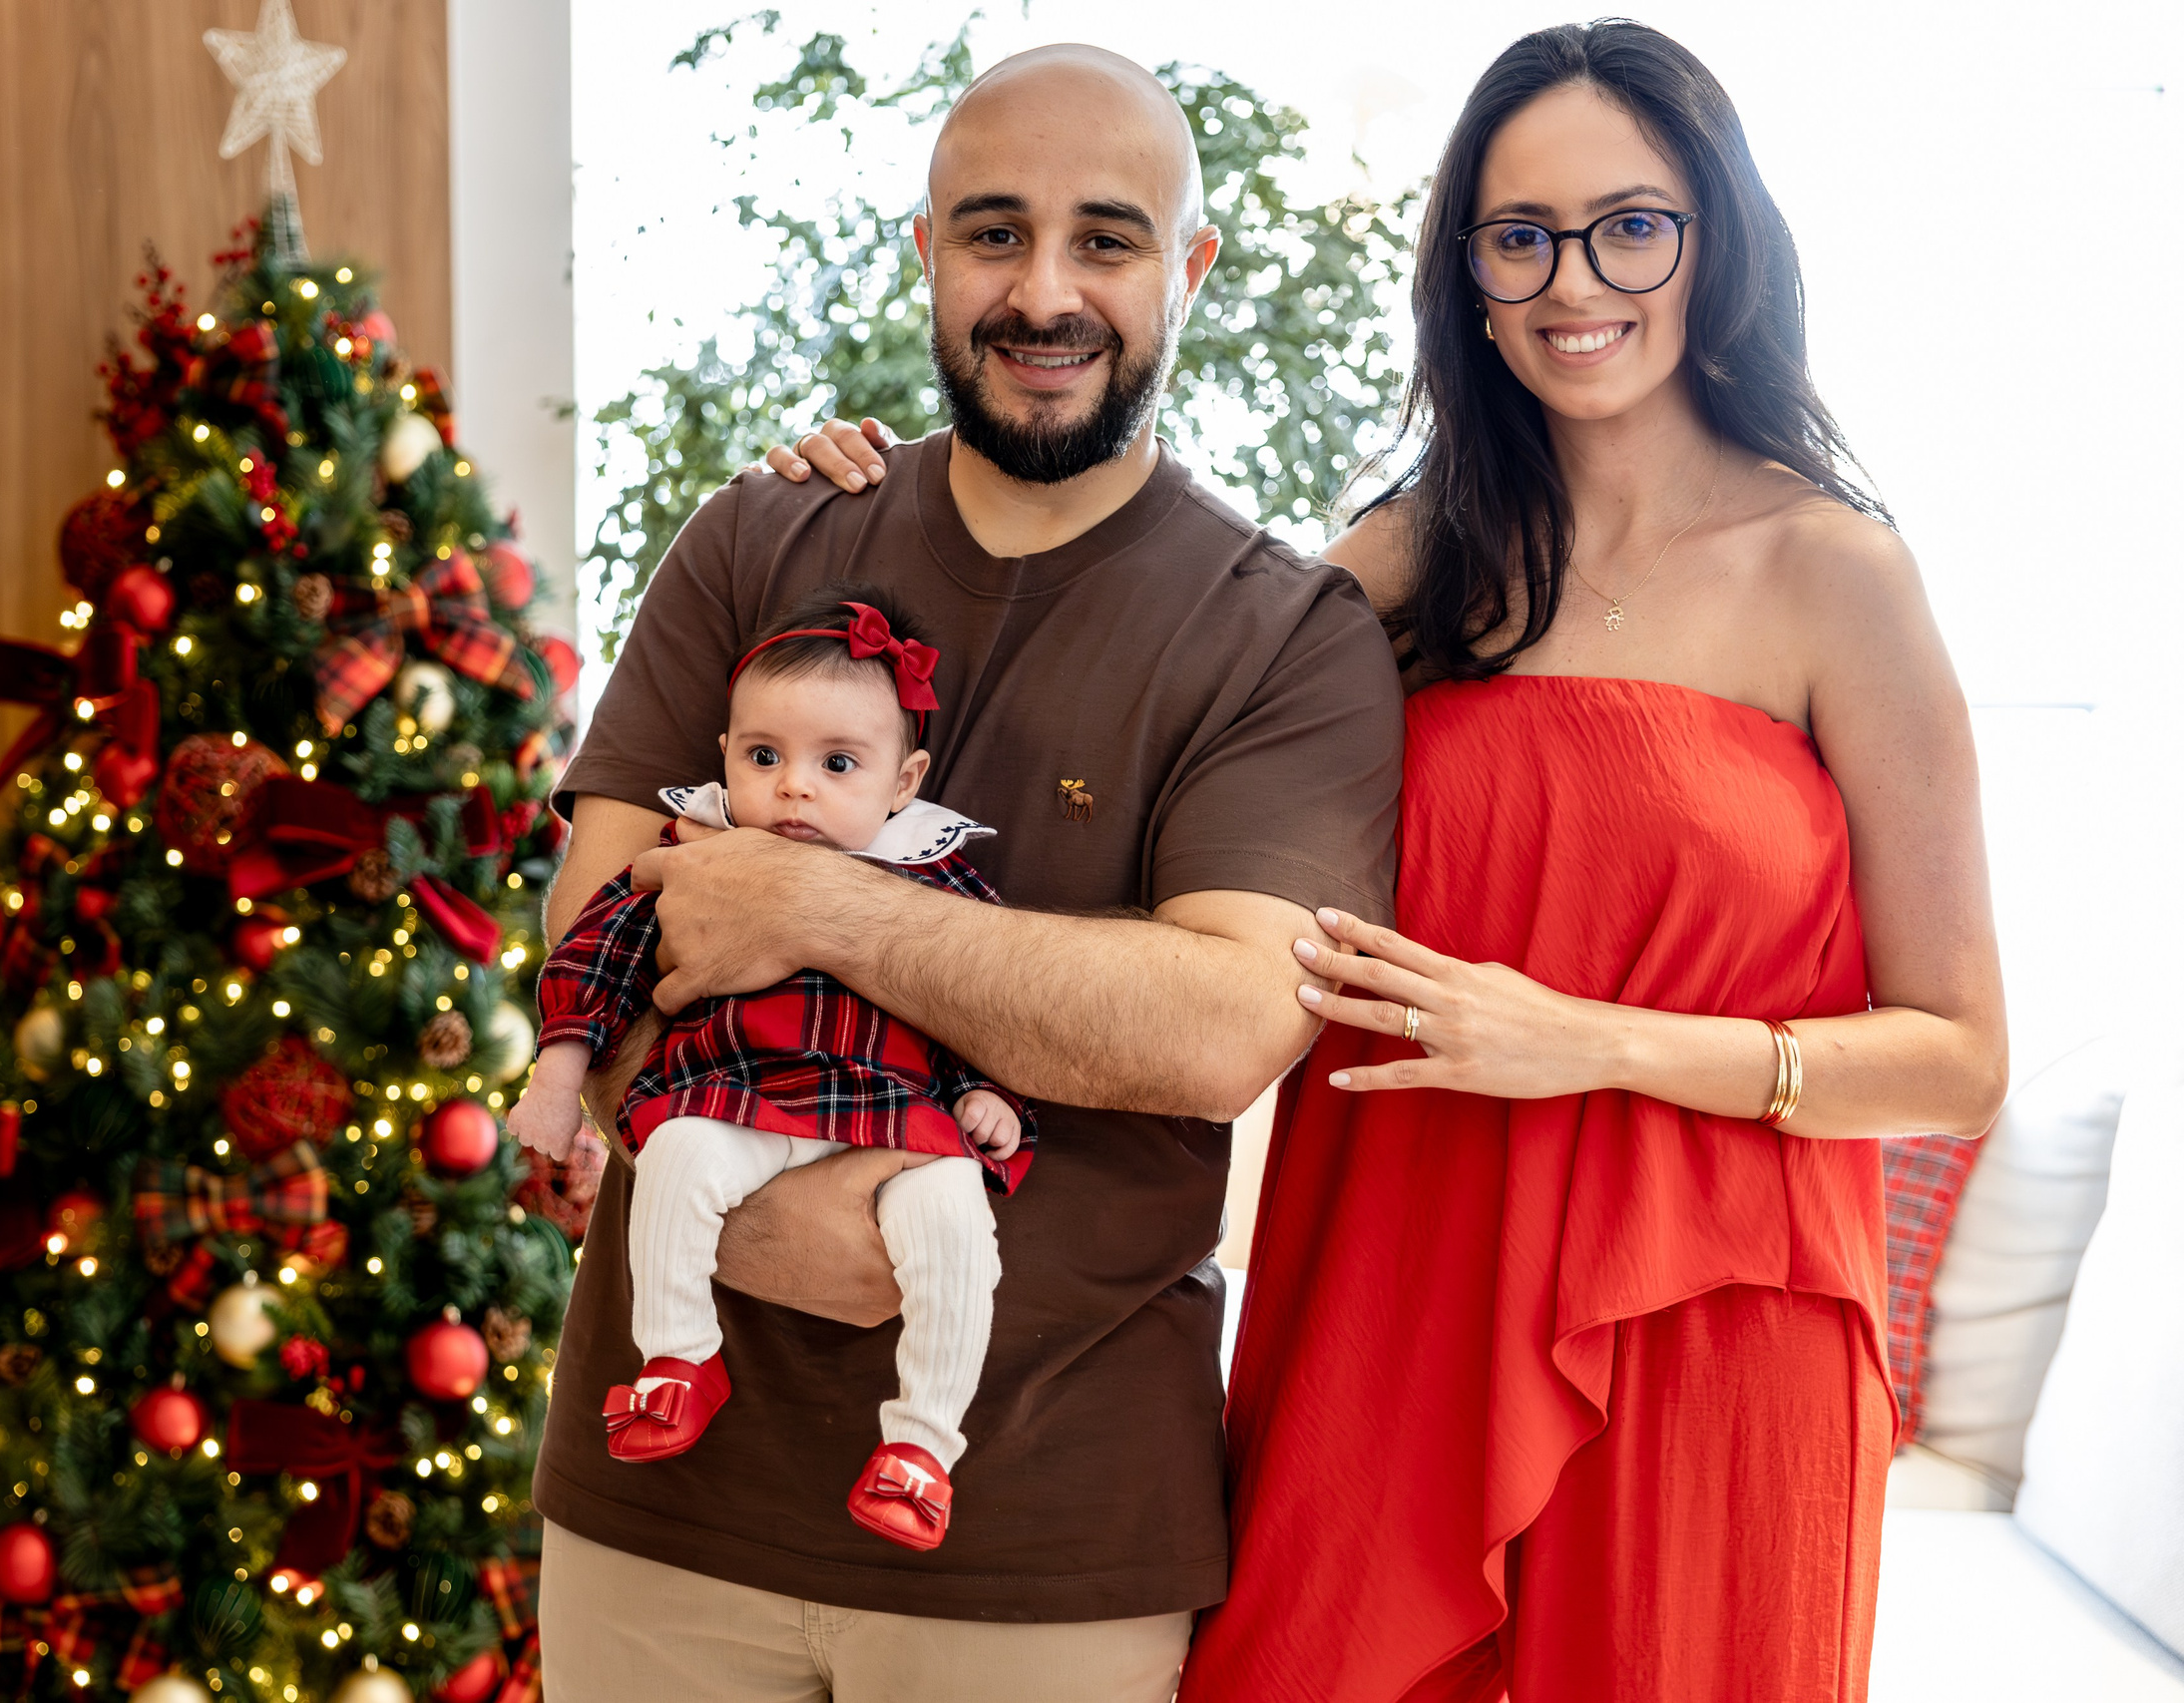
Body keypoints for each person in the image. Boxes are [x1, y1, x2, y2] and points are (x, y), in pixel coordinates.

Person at [770, 22, 2007, 1703]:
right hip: (1402, 1288)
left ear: (1717, 238)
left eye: (1633, 226)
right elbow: (1086, 711)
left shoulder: (1835, 575)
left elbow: (1957, 1054)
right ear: (1469, 275)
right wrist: (868, 509)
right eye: (1522, 236)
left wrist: (1592, 1044)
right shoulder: (1402, 566)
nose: (1577, 281)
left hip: (1720, 1323)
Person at [531, 43, 1403, 1703]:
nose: (1045, 292)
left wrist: (806, 901)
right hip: (660, 1515)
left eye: (1107, 239)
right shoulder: (760, 537)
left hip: (1049, 1546)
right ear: (926, 249)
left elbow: (1219, 1028)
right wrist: (759, 1214)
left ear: (1190, 269)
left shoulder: (1282, 633)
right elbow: (592, 930)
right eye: (995, 233)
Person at [512, 585, 1037, 1553]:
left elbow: (986, 995)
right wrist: (555, 1077)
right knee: (674, 1156)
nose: (795, 787)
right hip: (739, 1094)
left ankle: (922, 1445)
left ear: (903, 779)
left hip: (895, 1111)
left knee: (955, 1220)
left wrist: (983, 1091)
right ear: (725, 756)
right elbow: (596, 953)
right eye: (764, 757)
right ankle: (679, 1358)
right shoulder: (695, 851)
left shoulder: (936, 871)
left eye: (837, 763)